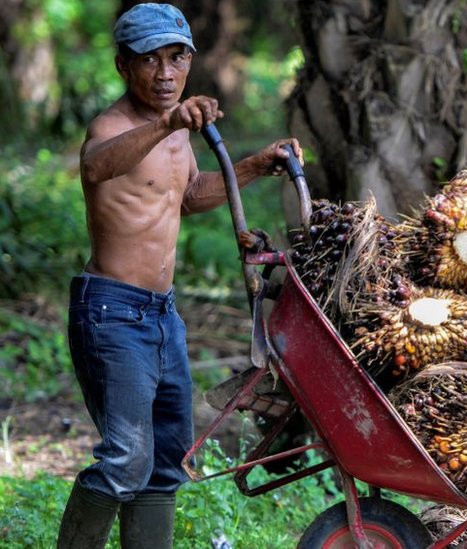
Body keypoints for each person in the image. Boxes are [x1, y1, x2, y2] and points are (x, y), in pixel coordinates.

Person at [56, 4, 303, 548]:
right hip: (112, 311)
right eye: (150, 60)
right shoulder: (113, 126)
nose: (165, 73)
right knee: (126, 459)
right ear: (123, 65)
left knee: (168, 456)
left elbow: (188, 196)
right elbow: (96, 166)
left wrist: (257, 165)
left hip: (162, 315)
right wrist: (167, 122)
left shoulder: (177, 133)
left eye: (178, 57)